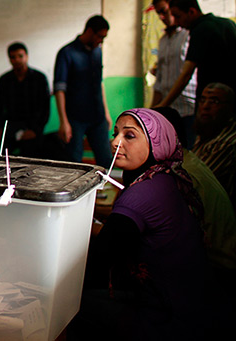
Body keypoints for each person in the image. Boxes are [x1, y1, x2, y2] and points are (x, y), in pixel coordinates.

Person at [72, 108, 212, 340]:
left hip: (173, 317)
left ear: (156, 142)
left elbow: (99, 259)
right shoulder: (165, 178)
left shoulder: (144, 194)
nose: (115, 141)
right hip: (189, 302)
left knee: (71, 304)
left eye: (129, 135)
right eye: (115, 133)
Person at [154, 106, 236, 272]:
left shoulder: (177, 173)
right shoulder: (185, 158)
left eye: (132, 136)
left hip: (216, 269)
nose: (117, 143)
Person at [156, 0, 236, 108]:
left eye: (178, 16)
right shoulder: (228, 23)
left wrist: (164, 104)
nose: (177, 22)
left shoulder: (200, 30)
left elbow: (186, 74)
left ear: (192, 12)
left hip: (213, 101)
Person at [53, 15, 113, 168]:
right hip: (75, 119)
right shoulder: (67, 53)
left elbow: (99, 83)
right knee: (74, 162)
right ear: (90, 31)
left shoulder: (97, 52)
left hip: (97, 116)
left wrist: (106, 113)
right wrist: (64, 122)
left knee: (106, 160)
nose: (101, 41)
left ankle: (102, 192)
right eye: (100, 36)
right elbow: (59, 90)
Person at [149, 0, 196, 148]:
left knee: (190, 158)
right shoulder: (163, 41)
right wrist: (152, 110)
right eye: (158, 14)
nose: (162, 17)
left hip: (189, 109)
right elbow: (160, 81)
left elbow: (188, 73)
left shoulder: (188, 35)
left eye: (164, 11)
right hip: (169, 112)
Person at [0, 42, 50, 157]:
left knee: (32, 158)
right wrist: (0, 129)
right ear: (9, 59)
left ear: (26, 56)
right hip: (10, 127)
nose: (17, 60)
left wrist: (35, 130)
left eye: (20, 56)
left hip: (32, 127)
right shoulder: (4, 80)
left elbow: (45, 107)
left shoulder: (39, 78)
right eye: (13, 57)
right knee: (1, 157)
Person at [192, 83, 236, 207]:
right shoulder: (207, 130)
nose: (205, 106)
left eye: (214, 101)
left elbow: (196, 183)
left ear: (229, 107)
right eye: (202, 100)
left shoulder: (226, 143)